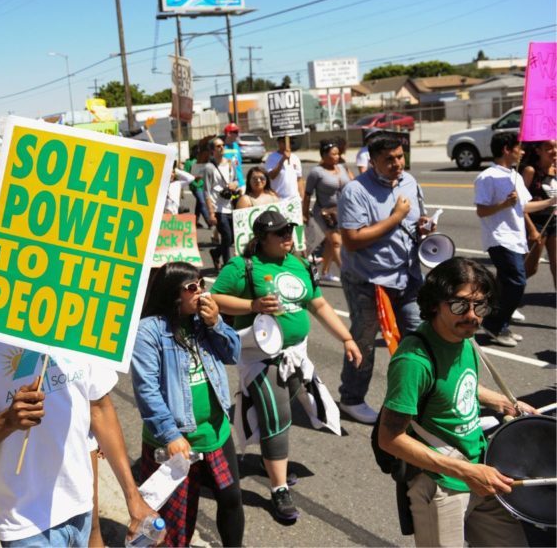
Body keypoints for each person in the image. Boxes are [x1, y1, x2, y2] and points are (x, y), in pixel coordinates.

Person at [0, 328, 158, 546]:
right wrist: (7, 421)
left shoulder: (80, 317)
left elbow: (99, 409)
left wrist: (133, 498)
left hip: (81, 507)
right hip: (24, 521)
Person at [212, 211, 362, 521]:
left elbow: (318, 304)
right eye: (279, 233)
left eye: (289, 230)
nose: (287, 236)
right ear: (261, 237)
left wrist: (347, 338)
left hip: (296, 355)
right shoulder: (243, 267)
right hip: (261, 356)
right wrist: (252, 306)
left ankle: (263, 459)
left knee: (275, 415)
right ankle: (279, 489)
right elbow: (214, 299)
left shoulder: (299, 264)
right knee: (275, 417)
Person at [377, 257, 536, 547]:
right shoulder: (414, 360)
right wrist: (465, 472)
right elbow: (389, 439)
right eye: (461, 305)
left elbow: (458, 384)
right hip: (440, 484)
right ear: (436, 303)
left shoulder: (464, 338)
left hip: (481, 467)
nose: (473, 316)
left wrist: (504, 402)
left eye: (481, 305)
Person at [131, 262, 245, 546]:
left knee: (231, 498)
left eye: (202, 285)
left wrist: (216, 323)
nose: (201, 293)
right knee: (177, 520)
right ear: (172, 294)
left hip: (215, 432)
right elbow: (147, 389)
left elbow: (233, 354)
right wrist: (170, 434)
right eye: (192, 288)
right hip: (176, 440)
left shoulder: (202, 322)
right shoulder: (149, 331)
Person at [336, 133, 435, 424]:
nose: (397, 164)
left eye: (400, 156)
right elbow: (352, 240)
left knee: (418, 338)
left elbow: (417, 218)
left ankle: (419, 398)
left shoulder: (410, 182)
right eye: (389, 159)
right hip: (369, 282)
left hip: (408, 277)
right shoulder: (355, 191)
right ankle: (352, 399)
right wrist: (395, 217)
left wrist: (423, 226)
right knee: (365, 342)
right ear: (373, 160)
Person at [474, 132, 556, 347]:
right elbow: (481, 211)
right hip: (499, 238)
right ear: (506, 150)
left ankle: (498, 325)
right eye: (518, 148)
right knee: (517, 282)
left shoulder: (515, 176)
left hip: (516, 238)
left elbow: (525, 206)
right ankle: (493, 323)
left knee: (504, 284)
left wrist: (551, 202)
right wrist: (503, 204)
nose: (522, 152)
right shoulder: (486, 176)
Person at [303, 140, 353, 283]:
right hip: (324, 213)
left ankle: (324, 272)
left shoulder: (342, 168)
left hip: (342, 211)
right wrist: (305, 214)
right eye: (333, 154)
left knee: (331, 244)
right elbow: (307, 195)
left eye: (338, 154)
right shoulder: (316, 172)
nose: (337, 156)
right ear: (324, 155)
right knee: (337, 242)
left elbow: (353, 184)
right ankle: (347, 277)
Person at [520, 139, 557, 284]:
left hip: (554, 222)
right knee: (530, 268)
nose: (554, 151)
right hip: (536, 224)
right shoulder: (531, 171)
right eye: (548, 148)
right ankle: (502, 293)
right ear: (538, 151)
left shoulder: (555, 170)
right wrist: (532, 230)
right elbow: (520, 204)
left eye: (555, 147)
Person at [203, 137, 240, 269]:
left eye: (223, 145)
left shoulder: (230, 163)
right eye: (218, 146)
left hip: (229, 205)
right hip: (217, 207)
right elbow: (206, 191)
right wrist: (211, 213)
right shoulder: (209, 168)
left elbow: (236, 180)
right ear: (213, 150)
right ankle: (227, 266)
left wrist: (233, 185)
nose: (222, 148)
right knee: (227, 235)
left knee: (231, 238)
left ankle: (215, 252)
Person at [221, 123, 246, 189]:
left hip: (240, 183)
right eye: (235, 132)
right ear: (228, 133)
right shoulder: (221, 147)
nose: (237, 134)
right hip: (228, 184)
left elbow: (239, 164)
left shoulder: (236, 146)